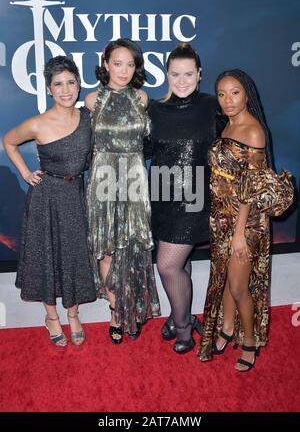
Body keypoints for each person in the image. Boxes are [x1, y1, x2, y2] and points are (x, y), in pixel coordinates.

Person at [197, 68, 289, 371]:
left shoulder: (253, 131)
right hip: (221, 219)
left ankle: (249, 342)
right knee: (224, 280)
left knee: (238, 288)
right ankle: (226, 328)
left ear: (247, 94)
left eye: (234, 92)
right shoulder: (226, 126)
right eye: (222, 94)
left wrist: (238, 233)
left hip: (244, 225)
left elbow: (250, 191)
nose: (227, 100)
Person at [3, 56, 96, 348]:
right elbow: (8, 141)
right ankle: (52, 317)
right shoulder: (37, 123)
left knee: (71, 254)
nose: (66, 89)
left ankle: (73, 312)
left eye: (71, 82)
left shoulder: (88, 116)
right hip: (46, 197)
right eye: (58, 84)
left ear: (79, 85)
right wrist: (26, 173)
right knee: (46, 256)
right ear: (48, 89)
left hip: (74, 194)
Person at [145, 42, 225, 354]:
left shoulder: (211, 106)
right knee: (181, 264)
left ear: (200, 74)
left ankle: (182, 325)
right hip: (162, 197)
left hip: (195, 200)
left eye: (188, 74)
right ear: (166, 74)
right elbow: (146, 151)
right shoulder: (154, 109)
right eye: (175, 74)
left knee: (167, 266)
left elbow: (231, 145)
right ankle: (180, 314)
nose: (181, 80)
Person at [85, 38, 160, 344]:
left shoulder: (141, 98)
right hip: (103, 178)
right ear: (105, 65)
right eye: (118, 63)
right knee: (107, 248)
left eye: (130, 64)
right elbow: (79, 137)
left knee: (132, 245)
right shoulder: (93, 100)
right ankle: (116, 310)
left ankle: (133, 305)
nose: (124, 70)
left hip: (134, 179)